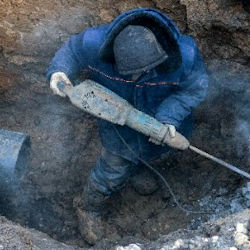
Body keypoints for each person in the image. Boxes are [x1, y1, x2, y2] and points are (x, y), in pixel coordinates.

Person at [46, 8, 208, 244]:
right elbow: (71, 50)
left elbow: (194, 88)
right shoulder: (95, 44)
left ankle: (138, 170)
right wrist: (59, 70)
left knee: (157, 150)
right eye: (129, 73)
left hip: (162, 117)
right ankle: (89, 207)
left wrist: (170, 117)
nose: (135, 78)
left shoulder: (185, 55)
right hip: (116, 120)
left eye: (141, 73)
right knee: (113, 168)